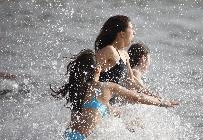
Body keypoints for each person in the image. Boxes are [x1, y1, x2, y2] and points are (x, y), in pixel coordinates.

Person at [51, 49, 179, 140]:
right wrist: (162, 102)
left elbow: (101, 111)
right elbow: (138, 97)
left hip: (68, 136)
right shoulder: (105, 87)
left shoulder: (79, 90)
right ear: (97, 69)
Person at [94, 15, 148, 94]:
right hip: (99, 103)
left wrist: (156, 97)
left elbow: (131, 80)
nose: (134, 32)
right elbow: (90, 77)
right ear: (122, 34)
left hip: (111, 102)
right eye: (131, 28)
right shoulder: (109, 50)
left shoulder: (125, 55)